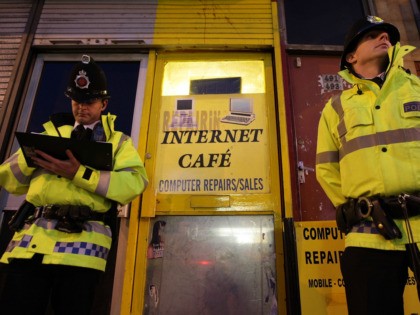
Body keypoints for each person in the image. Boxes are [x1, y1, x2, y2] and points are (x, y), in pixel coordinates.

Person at [0, 54, 148, 315]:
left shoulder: (119, 143)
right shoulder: (47, 136)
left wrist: (79, 173)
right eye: (77, 101)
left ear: (103, 104)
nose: (82, 107)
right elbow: (9, 181)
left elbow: (134, 184)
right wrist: (31, 159)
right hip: (30, 247)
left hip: (81, 251)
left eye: (89, 101)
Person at [316, 16, 420, 315]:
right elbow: (326, 167)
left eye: (386, 33)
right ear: (351, 56)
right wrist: (358, 207)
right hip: (370, 231)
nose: (383, 36)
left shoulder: (416, 89)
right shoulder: (336, 107)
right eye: (371, 35)